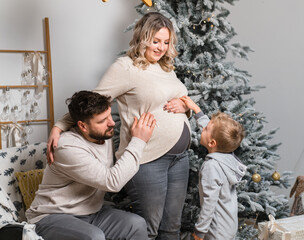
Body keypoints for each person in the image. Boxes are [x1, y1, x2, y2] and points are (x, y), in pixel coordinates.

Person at [46, 12, 191, 239]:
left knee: (172, 228)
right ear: (143, 38)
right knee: (150, 229)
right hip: (148, 159)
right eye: (155, 41)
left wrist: (186, 108)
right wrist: (59, 126)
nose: (161, 48)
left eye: (166, 42)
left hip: (179, 157)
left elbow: (178, 99)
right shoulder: (126, 67)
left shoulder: (167, 68)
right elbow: (92, 103)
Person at [26, 91, 156, 240]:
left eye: (109, 115)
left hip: (90, 213)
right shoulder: (66, 147)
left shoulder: (102, 134)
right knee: (93, 237)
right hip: (51, 216)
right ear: (82, 126)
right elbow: (112, 182)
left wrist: (58, 126)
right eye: (102, 121)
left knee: (136, 224)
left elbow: (84, 116)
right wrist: (139, 140)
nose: (112, 123)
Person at [179, 96, 247, 240]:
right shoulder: (227, 156)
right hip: (228, 226)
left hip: (216, 231)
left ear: (212, 143)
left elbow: (210, 203)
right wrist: (196, 110)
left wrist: (200, 231)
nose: (203, 128)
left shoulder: (211, 167)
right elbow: (211, 130)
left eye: (206, 129)